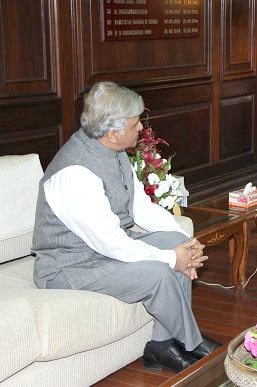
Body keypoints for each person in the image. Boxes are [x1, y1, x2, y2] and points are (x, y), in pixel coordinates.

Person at [32, 81, 221, 373]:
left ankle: (161, 346)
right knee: (159, 271)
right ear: (111, 133)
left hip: (101, 251)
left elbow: (140, 208)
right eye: (135, 125)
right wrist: (172, 258)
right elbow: (110, 243)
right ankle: (192, 344)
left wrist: (187, 242)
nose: (140, 131)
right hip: (70, 268)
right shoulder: (75, 173)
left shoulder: (114, 151)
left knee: (175, 240)